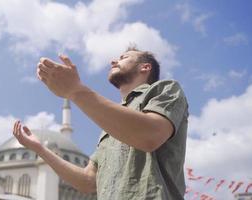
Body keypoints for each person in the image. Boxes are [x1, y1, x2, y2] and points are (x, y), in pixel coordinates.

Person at [13, 46, 188, 200]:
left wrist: (75, 91)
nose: (113, 61)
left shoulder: (165, 89)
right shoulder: (110, 127)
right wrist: (40, 149)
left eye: (124, 57)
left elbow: (149, 136)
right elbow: (88, 182)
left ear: (145, 67)